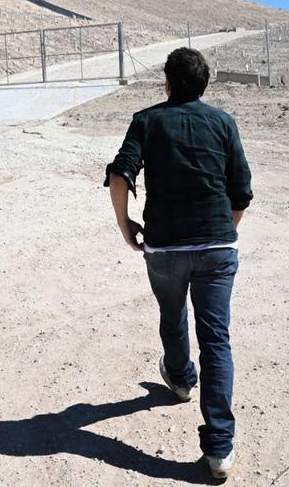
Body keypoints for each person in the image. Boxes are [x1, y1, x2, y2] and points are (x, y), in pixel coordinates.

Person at [103, 47, 252, 479]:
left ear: (167, 83)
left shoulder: (146, 120)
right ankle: (219, 450)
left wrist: (125, 225)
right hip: (217, 249)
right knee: (217, 339)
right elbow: (240, 191)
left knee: (172, 313)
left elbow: (120, 174)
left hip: (165, 247)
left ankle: (182, 379)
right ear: (205, 85)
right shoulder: (224, 123)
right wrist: (224, 229)